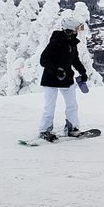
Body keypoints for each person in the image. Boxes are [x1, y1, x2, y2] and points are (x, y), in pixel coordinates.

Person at [37, 11, 88, 141]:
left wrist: (83, 72)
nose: (77, 32)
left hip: (67, 79)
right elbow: (43, 60)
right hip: (51, 79)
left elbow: (75, 60)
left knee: (72, 105)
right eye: (76, 29)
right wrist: (56, 70)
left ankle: (72, 128)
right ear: (69, 30)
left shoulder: (72, 42)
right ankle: (44, 131)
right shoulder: (55, 42)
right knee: (50, 107)